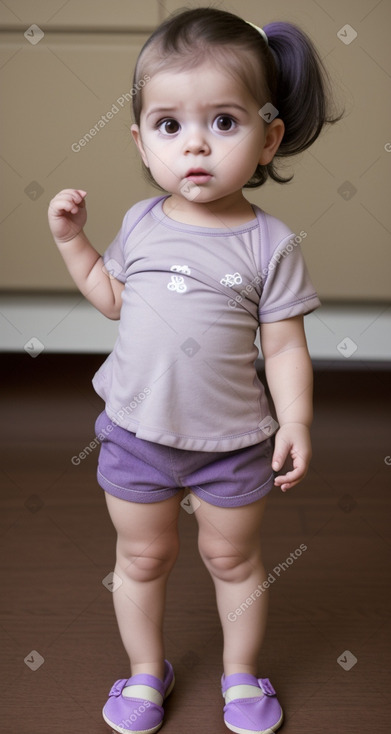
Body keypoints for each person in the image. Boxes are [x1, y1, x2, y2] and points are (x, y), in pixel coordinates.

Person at [48, 7, 340, 734]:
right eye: (169, 126)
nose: (196, 146)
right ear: (141, 140)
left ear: (268, 137)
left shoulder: (269, 244)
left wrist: (296, 420)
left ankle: (242, 675)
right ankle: (147, 673)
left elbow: (283, 348)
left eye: (224, 122)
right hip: (135, 435)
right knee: (141, 558)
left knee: (231, 560)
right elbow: (114, 300)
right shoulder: (143, 222)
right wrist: (74, 244)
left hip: (232, 443)